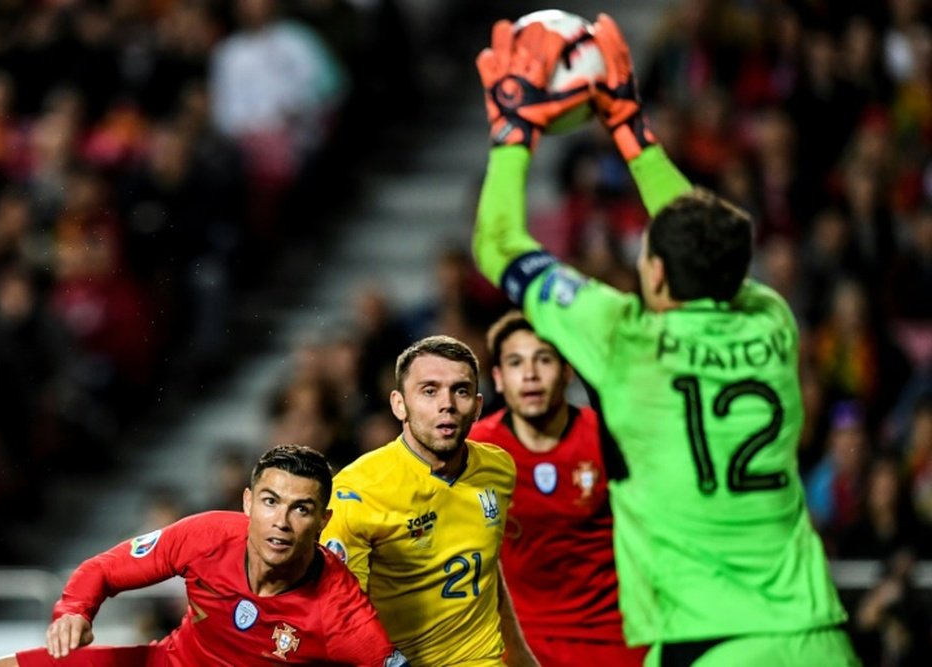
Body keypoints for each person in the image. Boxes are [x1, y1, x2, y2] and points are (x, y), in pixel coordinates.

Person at [472, 15, 859, 667]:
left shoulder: (626, 340)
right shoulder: (770, 318)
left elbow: (498, 241)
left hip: (704, 642)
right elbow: (708, 233)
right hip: (817, 635)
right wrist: (632, 126)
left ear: (653, 273)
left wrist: (514, 129)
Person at [0, 445, 408, 667]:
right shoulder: (207, 535)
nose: (281, 521)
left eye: (301, 509)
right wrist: (74, 610)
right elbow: (105, 569)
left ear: (323, 521)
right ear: (247, 503)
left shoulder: (342, 614)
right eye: (270, 501)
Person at [320, 335, 539, 667]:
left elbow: (487, 568)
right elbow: (339, 617)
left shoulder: (499, 468)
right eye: (429, 390)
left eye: (460, 390)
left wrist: (521, 656)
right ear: (398, 404)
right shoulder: (357, 491)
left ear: (478, 407)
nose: (447, 404)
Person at [468, 311, 646, 666]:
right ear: (499, 379)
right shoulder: (477, 450)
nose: (530, 374)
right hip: (515, 638)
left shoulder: (609, 439)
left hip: (613, 635)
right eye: (516, 363)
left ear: (567, 371)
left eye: (544, 360)